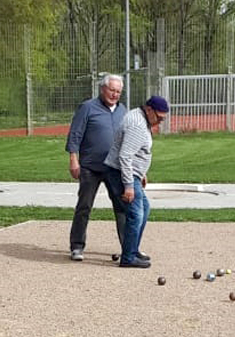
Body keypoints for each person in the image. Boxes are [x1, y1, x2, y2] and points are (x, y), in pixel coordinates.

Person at [65, 74, 128, 261]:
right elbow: (75, 134)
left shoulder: (122, 110)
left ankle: (128, 247)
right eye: (112, 90)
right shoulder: (87, 107)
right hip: (90, 167)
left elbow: (128, 139)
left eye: (118, 91)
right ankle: (77, 246)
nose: (115, 94)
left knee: (122, 207)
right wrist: (73, 159)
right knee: (84, 206)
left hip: (114, 168)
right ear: (103, 89)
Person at [104, 95, 170, 269]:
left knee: (144, 209)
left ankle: (132, 249)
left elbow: (136, 152)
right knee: (136, 214)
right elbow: (125, 156)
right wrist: (128, 185)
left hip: (132, 173)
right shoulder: (137, 125)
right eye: (160, 117)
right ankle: (128, 257)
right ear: (149, 110)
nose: (161, 122)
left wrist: (141, 173)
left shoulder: (140, 117)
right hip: (121, 173)